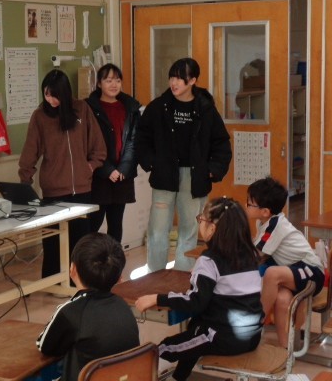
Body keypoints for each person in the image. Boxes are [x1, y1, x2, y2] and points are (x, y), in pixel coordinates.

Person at [135, 197, 263, 381]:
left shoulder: (209, 260)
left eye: (201, 219)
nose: (199, 223)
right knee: (195, 328)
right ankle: (178, 377)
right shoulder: (250, 255)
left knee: (163, 349)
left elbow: (195, 302)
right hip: (252, 336)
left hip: (224, 338)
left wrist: (156, 298)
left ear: (212, 229)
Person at [136, 57, 232, 272]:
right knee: (157, 230)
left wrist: (212, 170)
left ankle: (181, 277)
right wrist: (151, 162)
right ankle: (155, 277)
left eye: (180, 78)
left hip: (194, 177)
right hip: (164, 174)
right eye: (172, 77)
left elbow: (221, 143)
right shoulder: (158, 106)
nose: (174, 82)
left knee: (189, 230)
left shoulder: (205, 108)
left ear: (193, 80)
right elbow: (142, 137)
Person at [19, 69, 106, 278]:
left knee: (80, 243)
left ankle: (80, 282)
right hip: (53, 191)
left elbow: (98, 145)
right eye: (46, 94)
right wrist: (25, 182)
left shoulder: (81, 109)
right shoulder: (40, 116)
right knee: (53, 242)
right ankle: (53, 281)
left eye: (54, 95)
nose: (50, 100)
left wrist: (90, 167)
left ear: (65, 93)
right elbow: (30, 151)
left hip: (81, 190)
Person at [36, 232, 140, 381]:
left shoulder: (71, 312)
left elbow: (45, 347)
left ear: (72, 269)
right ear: (119, 278)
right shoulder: (123, 305)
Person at [247, 176, 325, 348]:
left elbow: (256, 255)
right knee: (282, 298)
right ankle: (285, 351)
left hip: (312, 272)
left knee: (271, 273)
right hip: (293, 272)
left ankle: (256, 322)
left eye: (250, 204)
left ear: (265, 211)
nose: (247, 206)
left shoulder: (275, 226)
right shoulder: (264, 222)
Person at [85, 63, 141, 245]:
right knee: (93, 223)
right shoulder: (89, 108)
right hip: (98, 174)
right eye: (108, 80)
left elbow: (133, 141)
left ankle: (113, 260)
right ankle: (88, 260)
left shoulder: (130, 107)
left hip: (121, 175)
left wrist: (124, 168)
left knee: (116, 224)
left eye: (117, 80)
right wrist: (107, 170)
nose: (114, 84)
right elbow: (88, 143)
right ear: (99, 83)